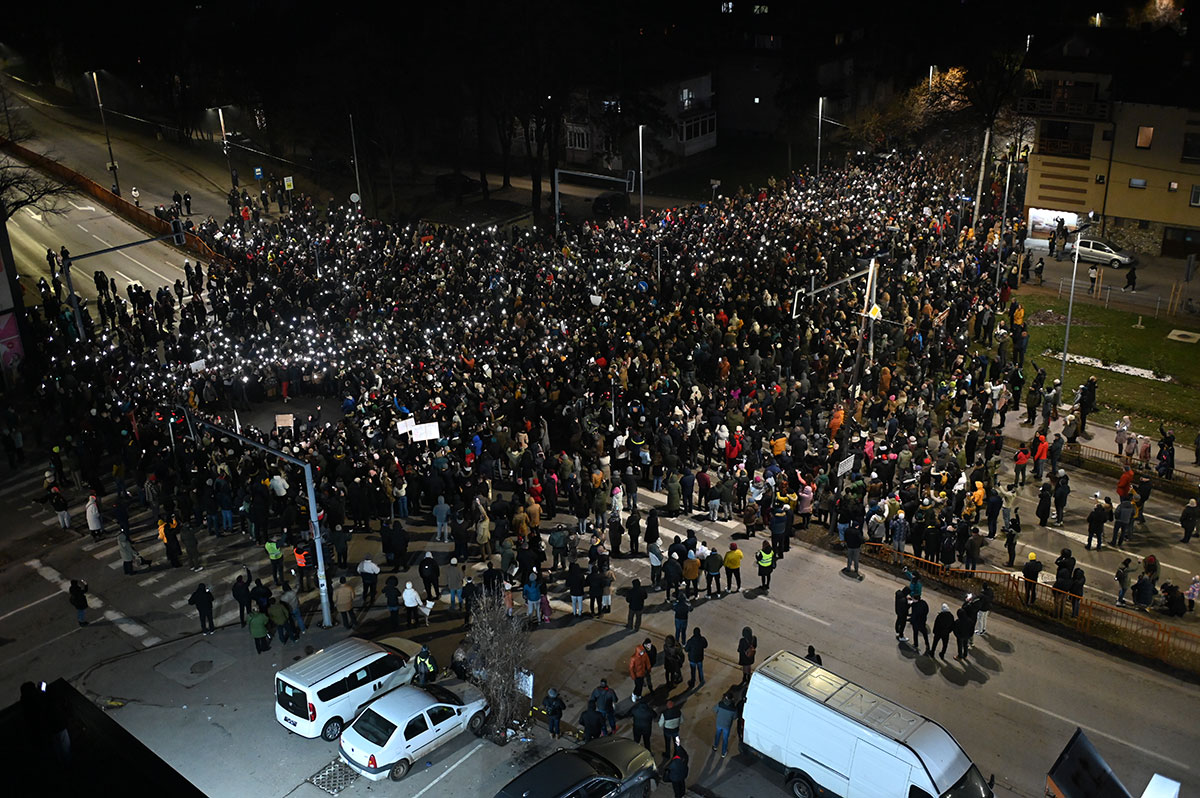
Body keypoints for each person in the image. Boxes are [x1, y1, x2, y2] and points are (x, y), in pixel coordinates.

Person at [712, 692, 737, 758]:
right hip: (727, 726)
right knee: (725, 738)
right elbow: (735, 717)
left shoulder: (720, 704)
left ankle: (715, 746)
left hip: (719, 723)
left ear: (725, 697)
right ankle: (723, 752)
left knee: (717, 735)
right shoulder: (733, 708)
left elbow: (715, 709)